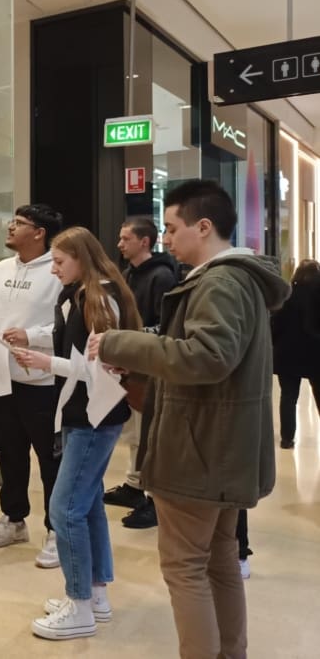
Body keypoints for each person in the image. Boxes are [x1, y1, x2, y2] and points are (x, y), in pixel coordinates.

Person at [89, 179, 289, 659]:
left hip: (200, 450)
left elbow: (207, 356)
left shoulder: (220, 280)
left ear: (204, 226)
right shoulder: (235, 279)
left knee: (185, 567)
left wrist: (119, 342)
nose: (167, 239)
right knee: (218, 561)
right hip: (220, 448)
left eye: (174, 228)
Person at [14, 227, 141, 640]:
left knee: (65, 508)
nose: (53, 270)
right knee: (84, 507)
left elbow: (98, 367)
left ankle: (80, 604)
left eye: (59, 262)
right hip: (88, 414)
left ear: (81, 259)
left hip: (93, 416)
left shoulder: (95, 298)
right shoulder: (88, 295)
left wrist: (44, 362)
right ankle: (93, 594)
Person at [0, 204, 64, 568]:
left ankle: (56, 529)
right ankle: (14, 519)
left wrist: (33, 336)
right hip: (0, 378)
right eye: (11, 221)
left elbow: (68, 324)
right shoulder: (1, 269)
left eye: (19, 224)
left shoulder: (58, 270)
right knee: (9, 455)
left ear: (39, 233)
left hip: (42, 382)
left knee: (50, 460)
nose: (10, 227)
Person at [107, 217, 178, 530]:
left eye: (126, 239)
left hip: (150, 366)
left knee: (149, 433)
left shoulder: (162, 276)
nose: (120, 244)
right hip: (133, 364)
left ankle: (153, 499)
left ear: (144, 242)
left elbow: (166, 326)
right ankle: (135, 486)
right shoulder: (129, 273)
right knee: (136, 433)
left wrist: (131, 340)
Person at [270, 259, 320, 448]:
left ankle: (287, 438)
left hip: (287, 354)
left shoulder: (287, 295)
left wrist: (274, 344)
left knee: (289, 396)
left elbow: (276, 324)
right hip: (316, 353)